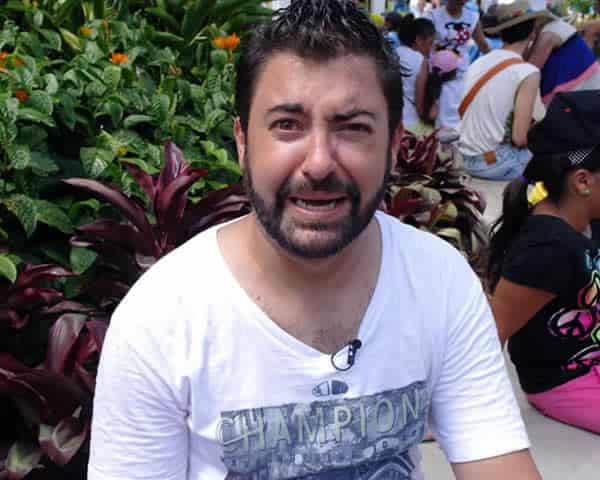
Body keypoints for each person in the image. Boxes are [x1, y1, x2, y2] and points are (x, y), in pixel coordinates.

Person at [88, 1, 542, 479]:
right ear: (243, 142)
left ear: (393, 146)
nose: (320, 162)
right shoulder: (160, 319)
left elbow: (498, 460)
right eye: (287, 125)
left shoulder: (440, 282)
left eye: (353, 127)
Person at [487, 90, 600, 434]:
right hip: (568, 384)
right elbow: (492, 331)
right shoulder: (548, 247)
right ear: (583, 181)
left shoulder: (586, 220)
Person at [459, 0, 547, 181]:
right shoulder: (527, 72)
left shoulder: (479, 62)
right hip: (497, 163)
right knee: (560, 163)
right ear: (533, 33)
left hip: (467, 159)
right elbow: (520, 138)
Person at [430, 0, 490, 129]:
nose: (462, 2)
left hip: (461, 74)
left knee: (458, 113)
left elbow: (483, 45)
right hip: (438, 75)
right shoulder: (433, 16)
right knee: (439, 112)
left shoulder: (472, 17)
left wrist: (496, 60)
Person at [526, 11, 600, 105]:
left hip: (581, 92)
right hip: (579, 92)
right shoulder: (553, 29)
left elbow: (528, 73)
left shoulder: (549, 33)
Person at [395, 15, 436, 132]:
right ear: (418, 40)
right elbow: (419, 99)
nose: (431, 48)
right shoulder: (422, 61)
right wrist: (425, 117)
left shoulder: (394, 52)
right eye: (430, 43)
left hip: (390, 118)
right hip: (411, 121)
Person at [422, 48, 462, 128]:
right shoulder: (463, 84)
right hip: (460, 130)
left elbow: (432, 115)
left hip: (442, 132)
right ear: (455, 70)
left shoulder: (438, 89)